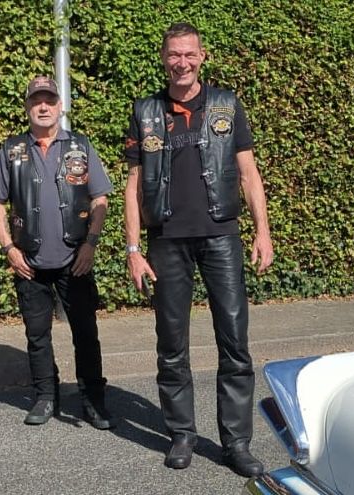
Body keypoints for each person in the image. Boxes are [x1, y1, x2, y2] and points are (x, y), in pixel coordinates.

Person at [123, 23, 274, 477]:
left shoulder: (227, 104)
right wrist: (133, 249)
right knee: (171, 343)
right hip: (166, 241)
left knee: (234, 341)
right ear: (163, 58)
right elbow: (133, 186)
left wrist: (262, 232)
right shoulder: (145, 111)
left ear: (202, 57)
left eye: (189, 54)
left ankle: (236, 443)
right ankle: (181, 434)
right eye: (174, 55)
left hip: (220, 237)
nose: (182, 63)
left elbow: (249, 174)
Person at [0, 75, 114, 429]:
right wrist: (9, 249)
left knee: (86, 333)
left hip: (76, 259)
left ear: (60, 106)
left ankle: (93, 400)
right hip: (29, 262)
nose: (43, 107)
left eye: (49, 101)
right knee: (37, 335)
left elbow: (100, 198)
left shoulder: (81, 146)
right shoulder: (12, 150)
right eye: (36, 101)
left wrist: (90, 244)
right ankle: (45, 396)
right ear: (27, 107)